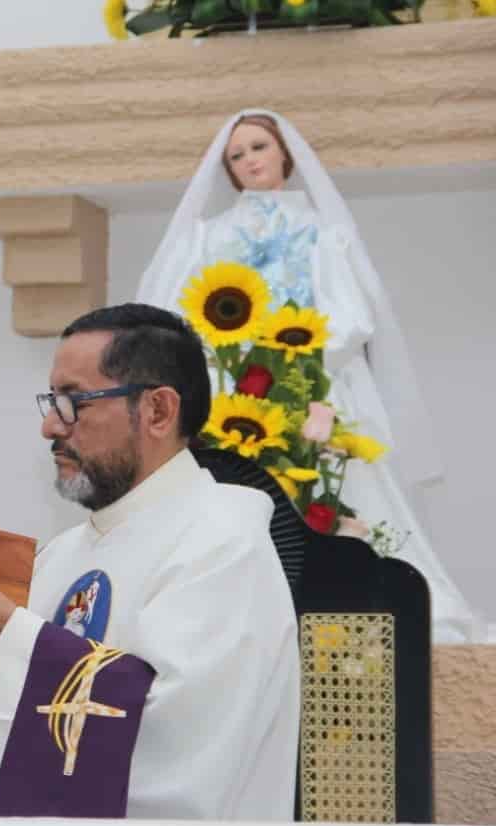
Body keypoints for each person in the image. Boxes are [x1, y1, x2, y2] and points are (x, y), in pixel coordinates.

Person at [0, 304, 299, 820]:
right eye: (51, 400)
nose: (48, 427)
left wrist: (10, 637)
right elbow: (20, 716)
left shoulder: (223, 545)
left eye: (72, 401)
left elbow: (182, 745)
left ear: (157, 411)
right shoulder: (63, 554)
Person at [136, 108, 477, 644]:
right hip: (237, 391)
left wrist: (294, 358)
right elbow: (176, 314)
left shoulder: (322, 234)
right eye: (237, 155)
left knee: (341, 489)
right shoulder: (208, 237)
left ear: (284, 155)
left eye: (259, 148)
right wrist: (240, 359)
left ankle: (364, 601)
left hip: (312, 384)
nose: (250, 161)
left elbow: (353, 315)